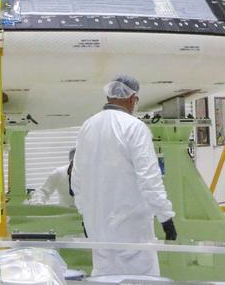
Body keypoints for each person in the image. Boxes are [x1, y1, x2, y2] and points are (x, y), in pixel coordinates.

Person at [71, 75, 177, 278]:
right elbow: (149, 178)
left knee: (105, 279)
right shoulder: (134, 127)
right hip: (132, 230)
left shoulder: (88, 126)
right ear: (132, 98)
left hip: (98, 229)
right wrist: (166, 218)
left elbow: (77, 178)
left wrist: (85, 214)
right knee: (141, 279)